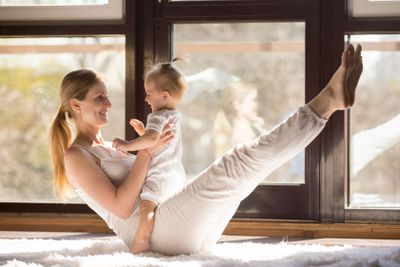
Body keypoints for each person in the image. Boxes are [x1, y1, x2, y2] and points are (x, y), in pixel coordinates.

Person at [49, 44, 363, 255]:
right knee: (235, 164)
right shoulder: (76, 155)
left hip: (171, 225)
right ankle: (326, 103)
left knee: (243, 175)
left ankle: (328, 103)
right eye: (99, 98)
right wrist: (145, 152)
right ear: (76, 105)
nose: (108, 103)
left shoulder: (103, 146)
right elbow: (120, 206)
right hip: (151, 234)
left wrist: (149, 146)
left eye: (106, 96)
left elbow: (148, 176)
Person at [112, 60, 187, 253]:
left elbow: (153, 139)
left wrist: (128, 145)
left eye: (148, 93)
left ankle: (141, 240)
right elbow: (157, 140)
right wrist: (144, 132)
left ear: (164, 96)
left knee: (147, 209)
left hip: (160, 175)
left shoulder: (157, 116)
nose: (146, 99)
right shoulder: (175, 116)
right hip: (176, 175)